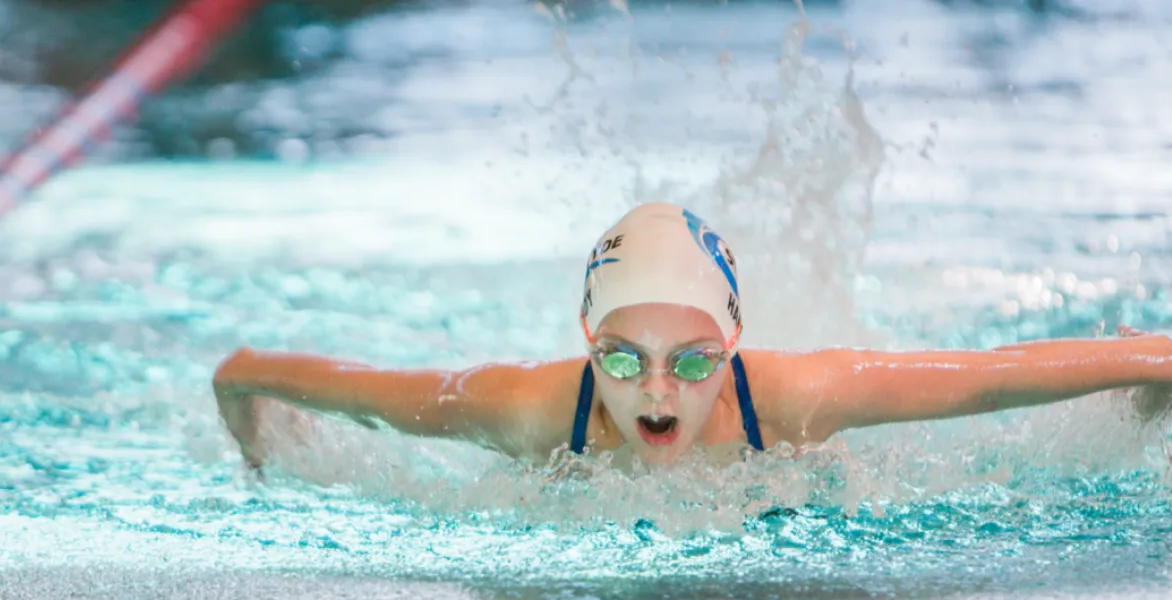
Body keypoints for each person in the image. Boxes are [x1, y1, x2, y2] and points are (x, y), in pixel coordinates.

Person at [214, 202, 1172, 470]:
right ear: (587, 337)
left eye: (695, 361)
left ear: (737, 342)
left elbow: (984, 380)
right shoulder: (526, 407)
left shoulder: (797, 397)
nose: (657, 395)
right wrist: (246, 403)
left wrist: (1153, 359)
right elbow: (328, 382)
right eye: (623, 361)